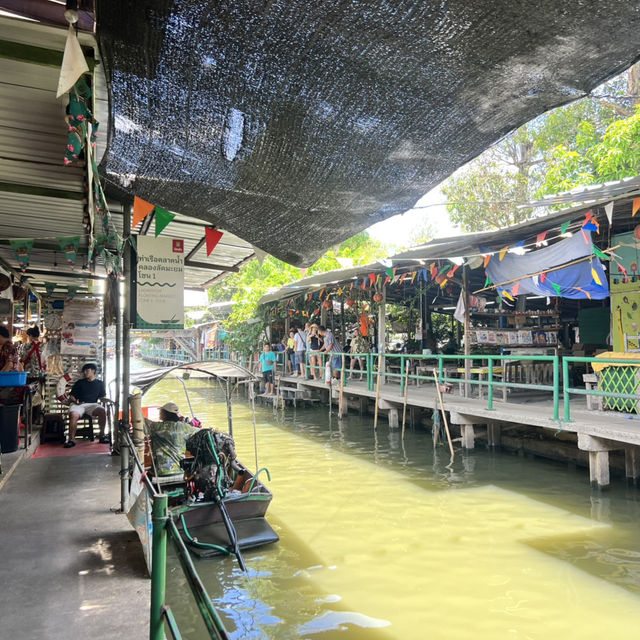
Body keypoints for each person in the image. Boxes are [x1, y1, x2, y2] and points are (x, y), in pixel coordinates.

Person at [144, 401, 199, 477]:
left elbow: (141, 421)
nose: (160, 413)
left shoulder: (157, 427)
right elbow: (201, 432)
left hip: (160, 472)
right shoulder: (185, 428)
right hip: (181, 471)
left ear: (165, 414)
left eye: (161, 412)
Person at [65, 363, 108, 447]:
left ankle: (102, 436)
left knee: (102, 411)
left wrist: (109, 400)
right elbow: (72, 396)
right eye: (84, 371)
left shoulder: (100, 383)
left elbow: (102, 397)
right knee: (73, 415)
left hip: (92, 405)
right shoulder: (79, 383)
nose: (85, 372)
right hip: (79, 404)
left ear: (93, 371)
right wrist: (76, 401)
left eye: (87, 370)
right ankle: (71, 440)